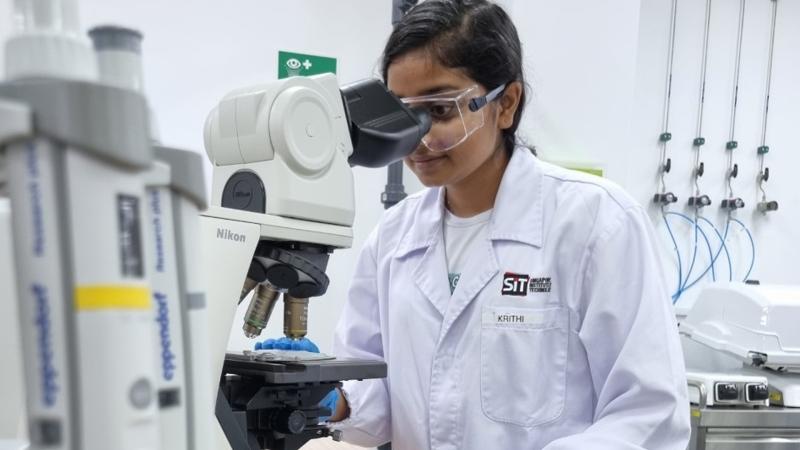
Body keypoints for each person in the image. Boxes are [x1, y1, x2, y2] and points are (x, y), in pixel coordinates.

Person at [325, 1, 690, 448]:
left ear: (506, 104)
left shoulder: (598, 224)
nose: (418, 138)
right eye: (402, 115)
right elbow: (379, 389)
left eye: (439, 110)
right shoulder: (393, 237)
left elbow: (648, 414)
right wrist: (333, 398)